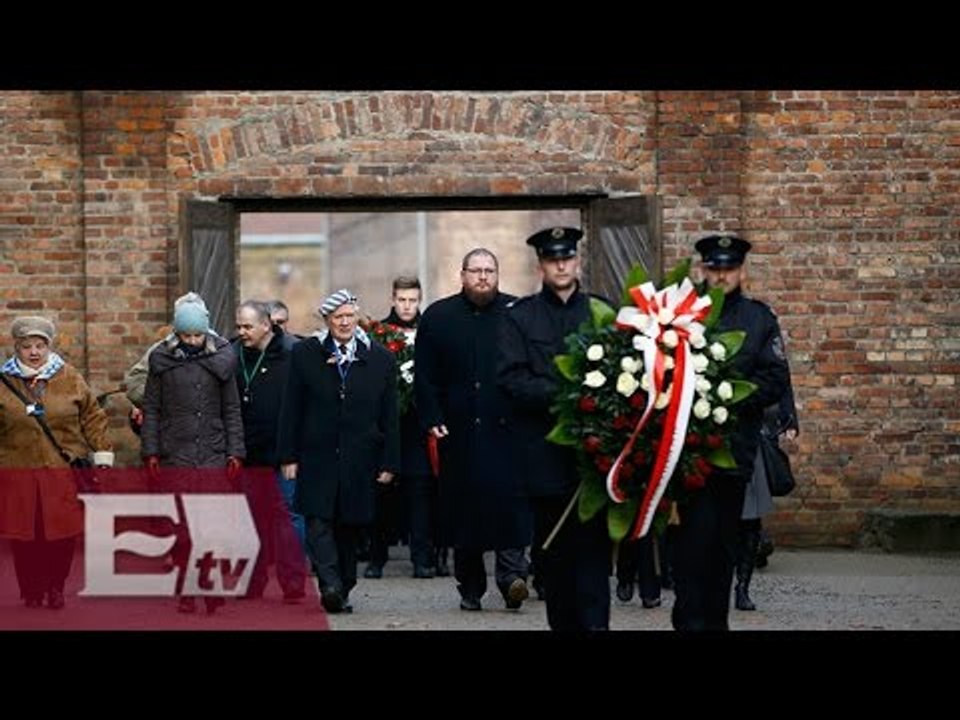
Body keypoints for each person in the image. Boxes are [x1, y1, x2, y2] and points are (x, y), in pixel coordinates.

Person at [668, 234, 791, 631]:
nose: (722, 276)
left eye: (730, 268)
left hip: (734, 453)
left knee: (723, 547)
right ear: (703, 269)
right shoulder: (684, 315)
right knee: (690, 545)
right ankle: (688, 620)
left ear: (741, 270)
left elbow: (775, 379)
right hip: (687, 454)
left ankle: (714, 623)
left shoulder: (759, 319)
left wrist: (728, 397)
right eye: (715, 268)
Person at [498, 227, 612, 630]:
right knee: (558, 564)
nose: (561, 265)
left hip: (595, 458)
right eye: (552, 259)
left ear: (578, 261)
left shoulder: (601, 312)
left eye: (567, 257)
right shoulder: (520, 317)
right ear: (541, 266)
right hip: (545, 458)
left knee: (595, 559)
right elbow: (511, 380)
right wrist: (569, 394)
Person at [415, 249, 531, 612]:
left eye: (489, 270)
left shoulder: (517, 313)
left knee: (510, 503)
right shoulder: (438, 316)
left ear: (498, 274)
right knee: (464, 511)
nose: (483, 277)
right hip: (458, 430)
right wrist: (432, 416)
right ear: (462, 275)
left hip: (506, 430)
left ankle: (513, 578)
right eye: (476, 270)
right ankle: (470, 587)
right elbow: (425, 375)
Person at [277, 289, 400, 614]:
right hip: (317, 455)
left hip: (360, 457)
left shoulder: (380, 358)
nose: (344, 323)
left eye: (349, 316)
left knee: (349, 526)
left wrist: (389, 461)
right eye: (338, 317)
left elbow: (389, 415)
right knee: (318, 521)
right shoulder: (306, 354)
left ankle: (343, 586)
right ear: (327, 320)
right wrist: (288, 456)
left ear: (357, 317)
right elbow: (292, 407)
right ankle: (329, 584)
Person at [0, 316, 115, 609]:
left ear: (49, 346)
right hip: (18, 469)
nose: (34, 352)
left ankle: (55, 587)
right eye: (27, 346)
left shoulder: (70, 377)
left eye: (40, 346)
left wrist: (102, 453)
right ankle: (32, 589)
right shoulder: (4, 381)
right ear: (16, 347)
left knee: (61, 533)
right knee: (25, 536)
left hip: (61, 470)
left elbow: (92, 417)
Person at [140, 297, 245, 614]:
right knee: (183, 529)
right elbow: (152, 409)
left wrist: (235, 451)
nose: (192, 341)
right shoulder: (162, 361)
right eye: (186, 336)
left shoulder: (221, 361)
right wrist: (151, 451)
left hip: (212, 452)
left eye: (197, 335)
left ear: (206, 332)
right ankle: (187, 587)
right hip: (176, 453)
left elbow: (231, 410)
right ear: (177, 333)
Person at [365, 276, 442, 579]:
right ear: (393, 300)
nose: (407, 306)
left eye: (412, 300)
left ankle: (422, 559)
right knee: (382, 494)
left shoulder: (430, 331)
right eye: (402, 300)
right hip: (386, 426)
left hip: (418, 426)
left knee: (420, 492)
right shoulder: (379, 333)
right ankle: (376, 558)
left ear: (420, 300)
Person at [232, 300, 306, 602]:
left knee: (288, 517)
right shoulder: (233, 354)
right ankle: (252, 582)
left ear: (266, 325)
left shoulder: (293, 354)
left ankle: (293, 583)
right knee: (250, 519)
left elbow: (303, 407)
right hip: (249, 454)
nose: (241, 332)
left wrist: (294, 453)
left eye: (247, 327)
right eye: (239, 326)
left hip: (283, 454)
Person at [736, 382, 799, 609]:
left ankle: (742, 586)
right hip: (720, 429)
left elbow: (778, 375)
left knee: (751, 516)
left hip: (755, 432)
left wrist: (789, 417)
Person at [124, 292, 213, 432]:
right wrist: (164, 402)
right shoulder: (162, 349)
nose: (192, 340)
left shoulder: (218, 349)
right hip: (171, 430)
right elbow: (134, 384)